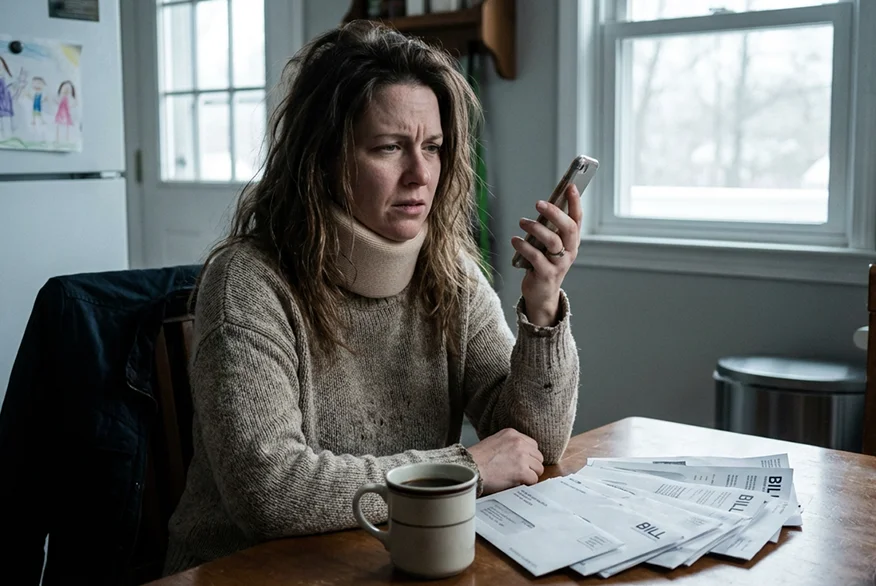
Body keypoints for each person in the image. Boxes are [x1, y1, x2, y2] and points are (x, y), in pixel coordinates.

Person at [164, 20, 583, 575]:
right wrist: (464, 467)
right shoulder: (247, 282)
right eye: (389, 147)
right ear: (324, 157)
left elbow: (534, 446)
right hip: (243, 572)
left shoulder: (448, 271)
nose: (420, 175)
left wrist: (543, 305)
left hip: (389, 561)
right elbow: (269, 491)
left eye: (432, 147)